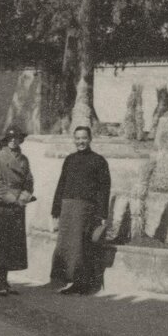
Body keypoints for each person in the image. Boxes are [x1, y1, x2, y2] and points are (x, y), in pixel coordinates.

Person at [49, 125, 110, 295]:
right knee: (64, 245)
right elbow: (61, 184)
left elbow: (104, 189)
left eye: (84, 138)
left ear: (90, 139)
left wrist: (102, 214)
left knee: (80, 246)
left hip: (85, 210)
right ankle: (63, 280)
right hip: (67, 208)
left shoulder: (99, 161)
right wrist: (56, 209)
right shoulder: (69, 159)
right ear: (74, 140)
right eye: (77, 138)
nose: (80, 141)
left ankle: (82, 284)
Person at [0, 126, 35, 296]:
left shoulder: (24, 159)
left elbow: (29, 181)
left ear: (21, 140)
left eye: (16, 138)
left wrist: (24, 197)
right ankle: (0, 282)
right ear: (6, 140)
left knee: (12, 244)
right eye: (10, 138)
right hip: (2, 205)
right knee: (0, 243)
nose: (13, 141)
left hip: (17, 206)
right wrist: (13, 199)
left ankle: (5, 281)